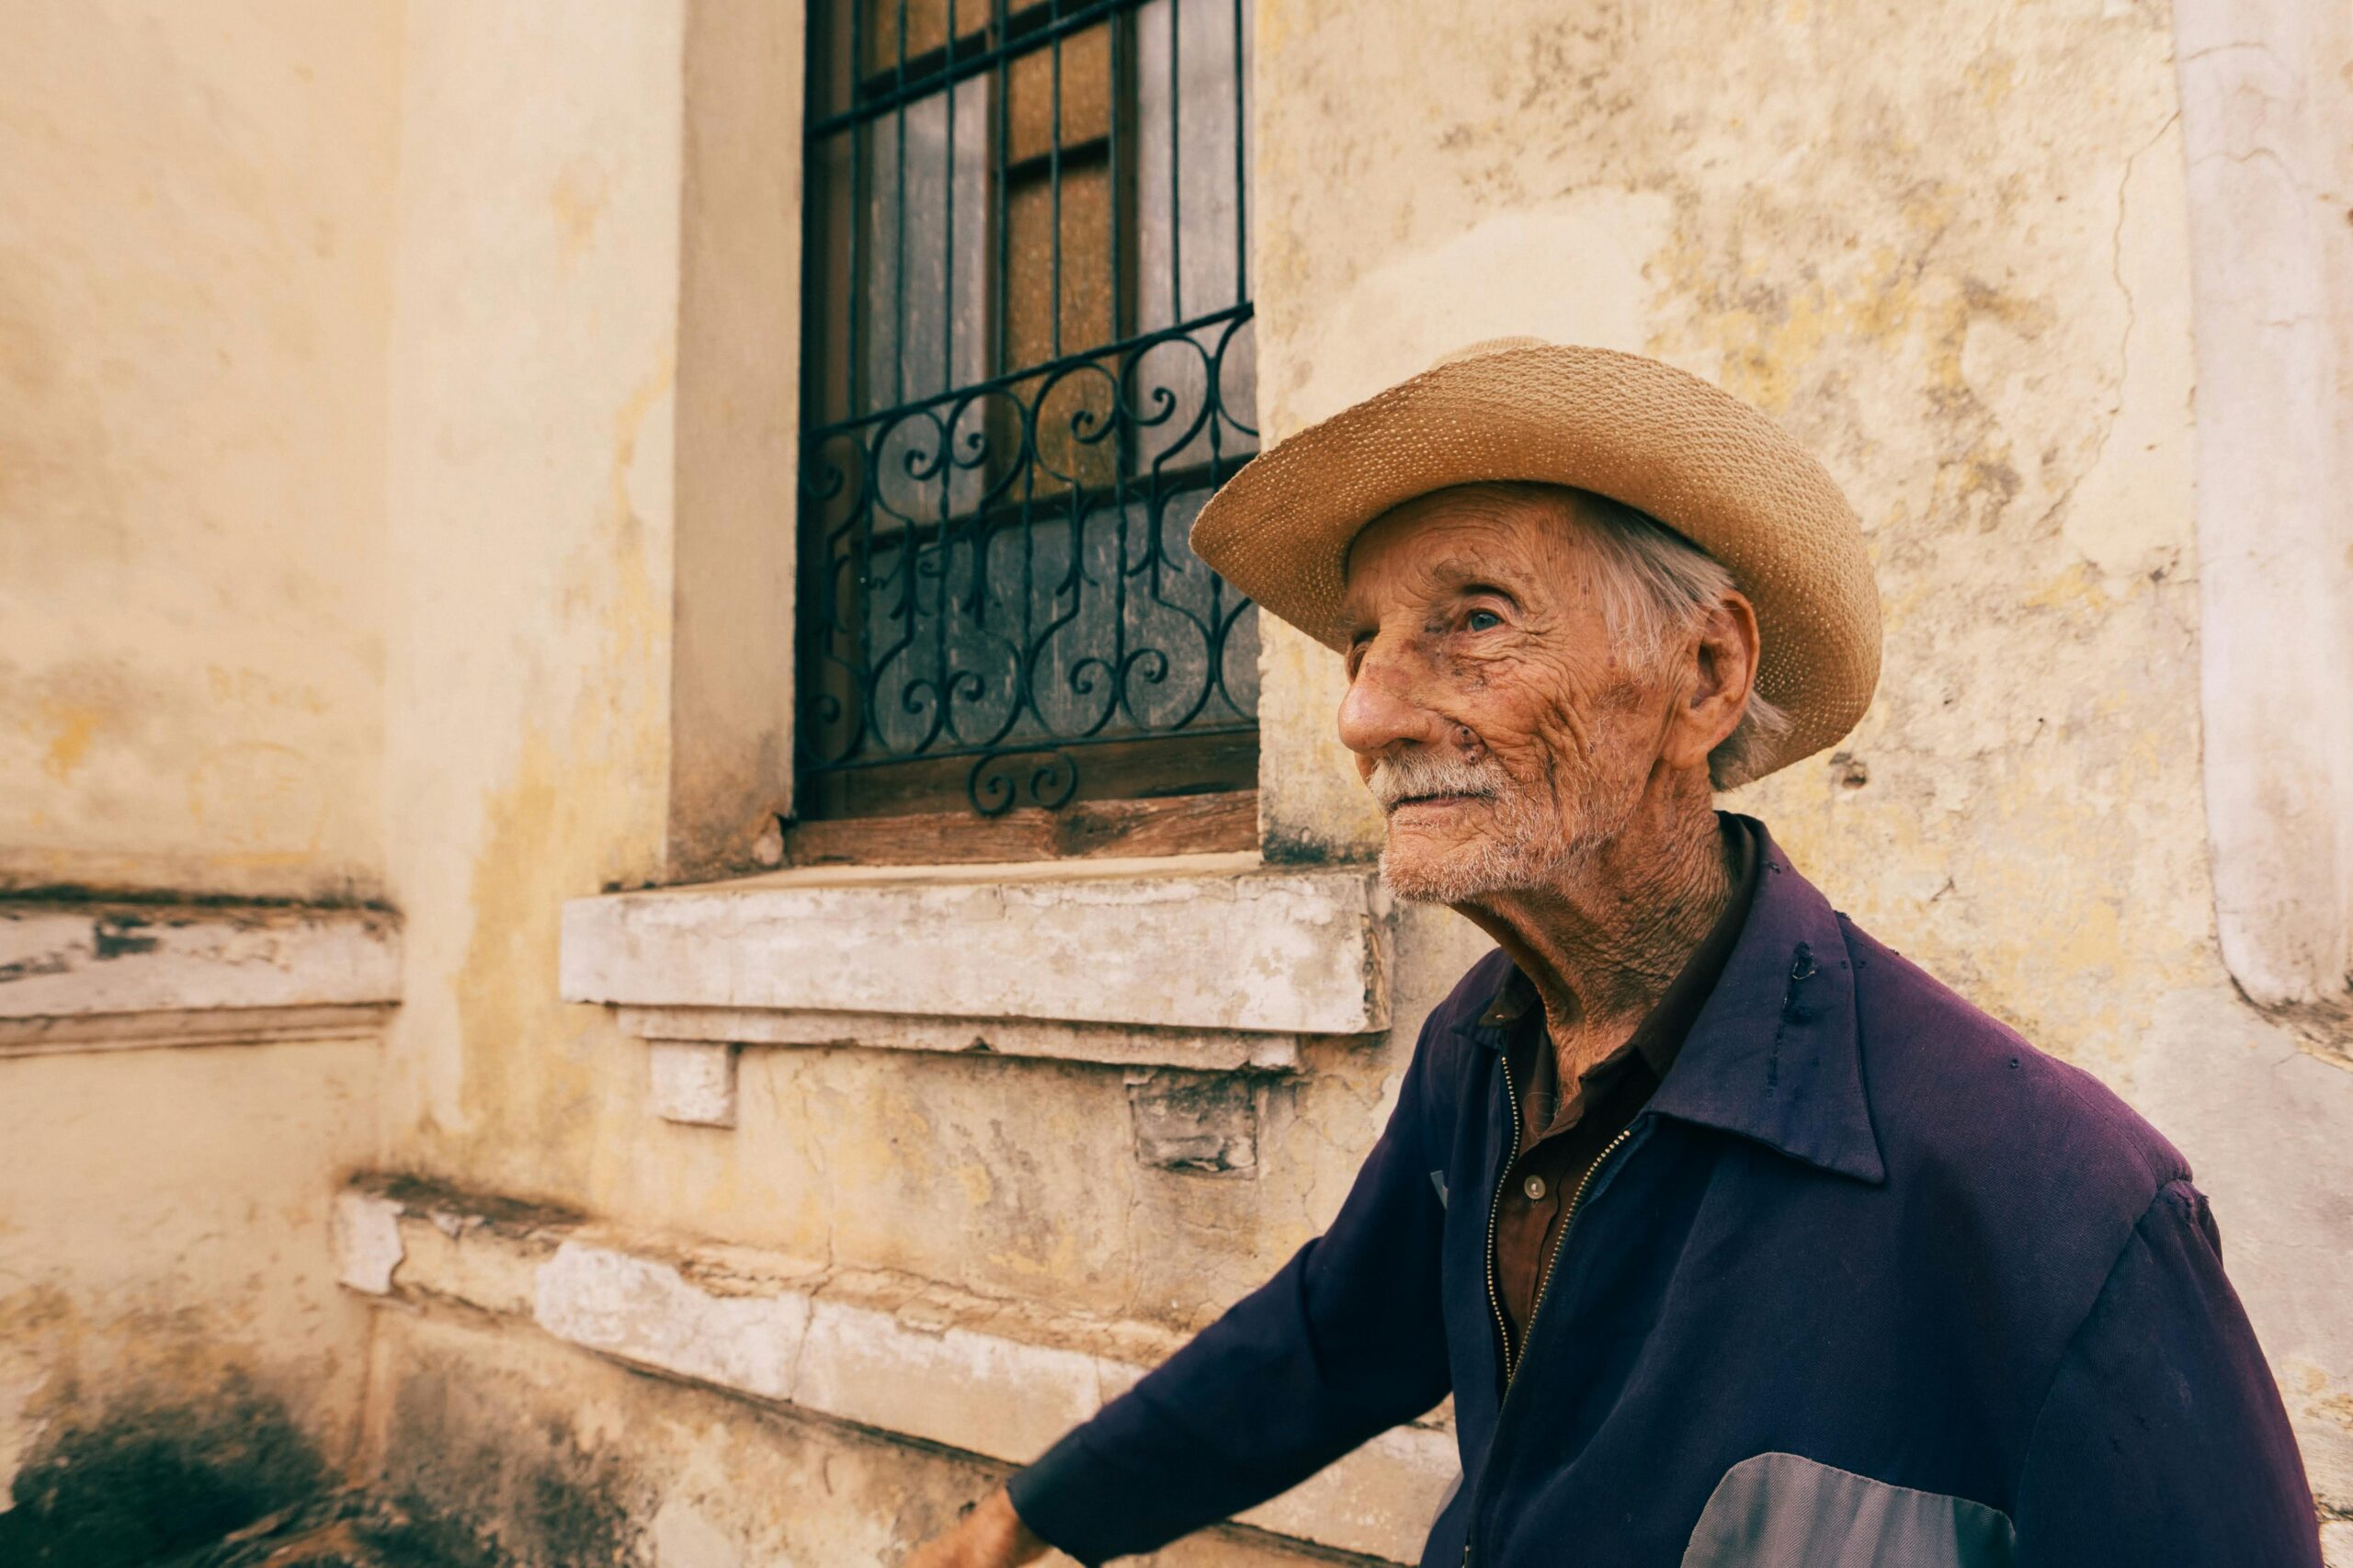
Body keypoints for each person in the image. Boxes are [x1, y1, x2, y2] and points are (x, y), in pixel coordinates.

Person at [905, 341, 2325, 1567]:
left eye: (1471, 622)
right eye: (1363, 643)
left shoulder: (2059, 1209)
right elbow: (1341, 1333)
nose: (1367, 713)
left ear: (1704, 678)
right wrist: (1046, 1509)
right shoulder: (1489, 1048)